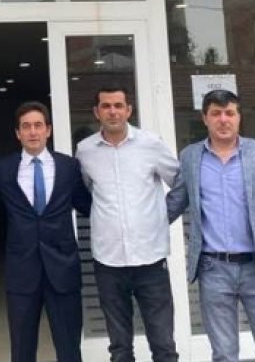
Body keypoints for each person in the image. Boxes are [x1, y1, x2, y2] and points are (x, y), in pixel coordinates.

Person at [167, 89, 255, 362]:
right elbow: (173, 204)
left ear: (239, 117)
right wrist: (134, 220)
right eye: (216, 113)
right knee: (224, 354)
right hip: (213, 269)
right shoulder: (191, 157)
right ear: (205, 118)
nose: (223, 119)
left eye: (229, 113)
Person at [75, 86, 180, 362]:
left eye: (118, 105)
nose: (113, 112)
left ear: (129, 110)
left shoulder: (151, 144)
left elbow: (180, 184)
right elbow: (85, 194)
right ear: (96, 112)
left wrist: (162, 216)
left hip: (151, 260)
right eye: (106, 106)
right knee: (120, 348)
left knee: (164, 345)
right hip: (108, 262)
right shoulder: (85, 151)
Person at [0, 101, 92, 362]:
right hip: (21, 272)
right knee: (22, 350)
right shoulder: (2, 170)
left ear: (48, 130)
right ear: (18, 133)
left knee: (69, 350)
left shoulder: (69, 167)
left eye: (38, 125)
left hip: (63, 270)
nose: (33, 132)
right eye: (26, 127)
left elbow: (88, 205)